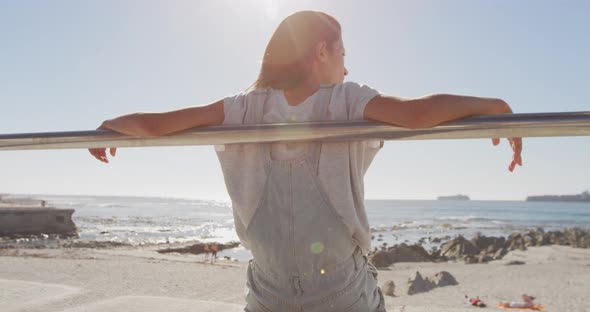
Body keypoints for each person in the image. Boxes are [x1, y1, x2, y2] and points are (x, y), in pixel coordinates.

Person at [88, 10, 523, 312]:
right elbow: (418, 114)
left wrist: (110, 125)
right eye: (343, 54)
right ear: (321, 51)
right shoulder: (346, 100)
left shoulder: (243, 108)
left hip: (269, 296)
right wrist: (497, 105)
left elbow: (160, 124)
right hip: (341, 295)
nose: (347, 68)